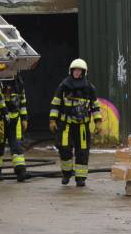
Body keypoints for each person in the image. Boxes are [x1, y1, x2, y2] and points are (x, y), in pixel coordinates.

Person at [49, 58, 102, 187]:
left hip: (82, 126)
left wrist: (98, 121)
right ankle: (66, 173)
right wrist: (52, 120)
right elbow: (56, 103)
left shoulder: (89, 88)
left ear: (84, 72)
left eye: (79, 71)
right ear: (71, 71)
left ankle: (80, 178)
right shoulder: (63, 86)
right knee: (64, 149)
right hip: (66, 125)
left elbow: (95, 106)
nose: (77, 73)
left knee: (82, 151)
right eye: (75, 70)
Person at [0, 75, 28, 182]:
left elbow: (23, 101)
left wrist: (24, 118)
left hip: (14, 119)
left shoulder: (18, 83)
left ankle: (20, 170)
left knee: (15, 144)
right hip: (1, 120)